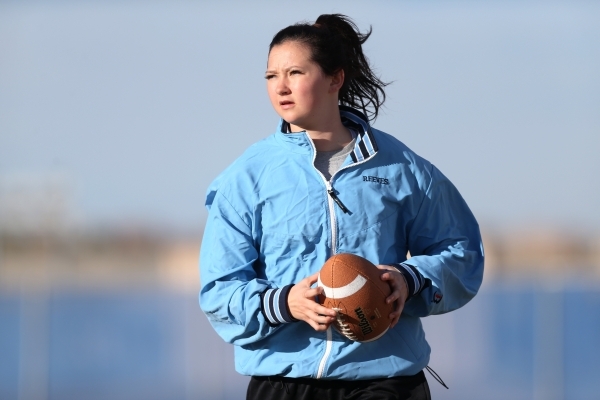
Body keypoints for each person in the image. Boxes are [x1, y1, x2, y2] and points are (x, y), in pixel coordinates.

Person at [199, 14, 484, 400]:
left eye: (295, 72)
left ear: (335, 78)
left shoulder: (402, 167)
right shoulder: (246, 177)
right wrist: (283, 303)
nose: (280, 86)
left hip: (385, 381)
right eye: (270, 76)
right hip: (283, 382)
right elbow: (219, 290)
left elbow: (462, 252)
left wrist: (409, 279)